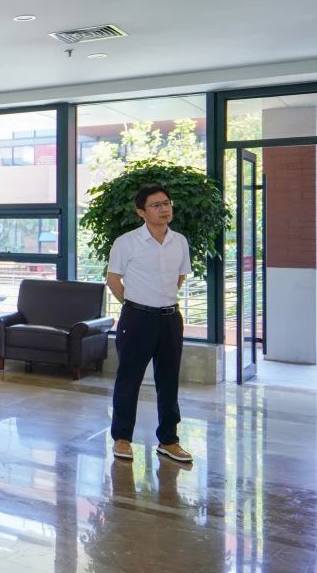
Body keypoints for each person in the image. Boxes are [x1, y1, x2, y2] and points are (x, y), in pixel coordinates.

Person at [107, 185, 194, 464]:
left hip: (170, 319)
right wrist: (135, 304)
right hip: (137, 318)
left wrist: (160, 300)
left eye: (167, 203)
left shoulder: (179, 241)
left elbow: (180, 277)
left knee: (168, 381)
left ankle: (169, 440)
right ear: (141, 212)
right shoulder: (127, 242)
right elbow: (113, 280)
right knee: (129, 379)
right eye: (156, 205)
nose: (164, 209)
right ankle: (122, 438)